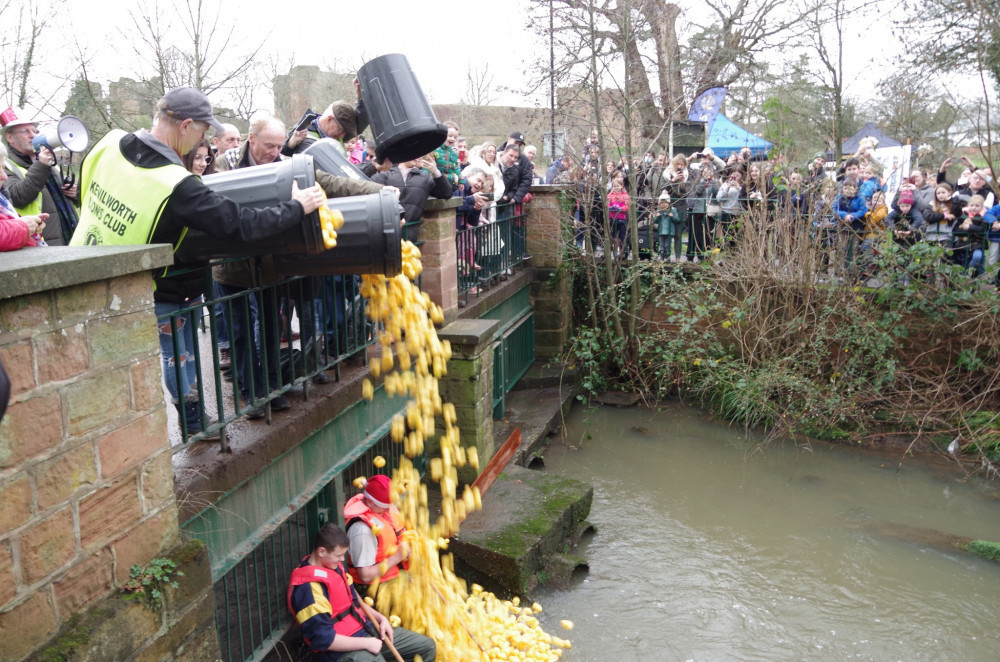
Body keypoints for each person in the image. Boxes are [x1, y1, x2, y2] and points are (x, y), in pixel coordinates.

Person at [68, 87, 326, 421]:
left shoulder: (108, 143)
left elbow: (83, 198)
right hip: (137, 291)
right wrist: (297, 207)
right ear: (186, 125)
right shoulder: (178, 183)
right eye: (202, 131)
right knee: (167, 362)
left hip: (81, 275)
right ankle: (191, 424)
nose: (201, 140)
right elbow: (241, 225)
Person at [288, 523, 435, 662]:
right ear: (321, 551)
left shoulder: (332, 566)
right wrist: (366, 643)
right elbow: (323, 639)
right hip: (341, 652)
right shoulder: (308, 589)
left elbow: (356, 604)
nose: (342, 559)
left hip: (364, 628)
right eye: (339, 555)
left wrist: (381, 619)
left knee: (427, 646)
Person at [1, 106, 78, 245]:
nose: (33, 135)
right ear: (10, 137)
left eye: (35, 131)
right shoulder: (5, 165)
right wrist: (41, 165)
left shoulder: (47, 162)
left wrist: (75, 192)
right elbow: (17, 196)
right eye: (25, 131)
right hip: (41, 241)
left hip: (69, 234)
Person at [343, 475, 411, 595]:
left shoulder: (382, 509)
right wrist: (399, 556)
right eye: (384, 507)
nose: (388, 510)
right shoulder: (362, 531)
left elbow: (396, 532)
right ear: (369, 501)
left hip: (396, 576)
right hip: (374, 590)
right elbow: (365, 576)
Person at [371, 153, 452, 241]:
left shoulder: (425, 178)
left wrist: (435, 172)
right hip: (385, 233)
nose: (418, 156)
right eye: (413, 152)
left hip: (409, 234)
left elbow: (446, 193)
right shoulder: (385, 175)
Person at [654, 191, 683, 262]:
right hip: (661, 231)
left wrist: (672, 216)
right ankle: (662, 258)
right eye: (662, 203)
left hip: (669, 231)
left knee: (667, 245)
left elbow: (677, 219)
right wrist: (657, 216)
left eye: (665, 202)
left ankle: (667, 258)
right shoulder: (659, 210)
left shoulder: (673, 210)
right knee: (661, 245)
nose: (663, 204)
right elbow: (655, 221)